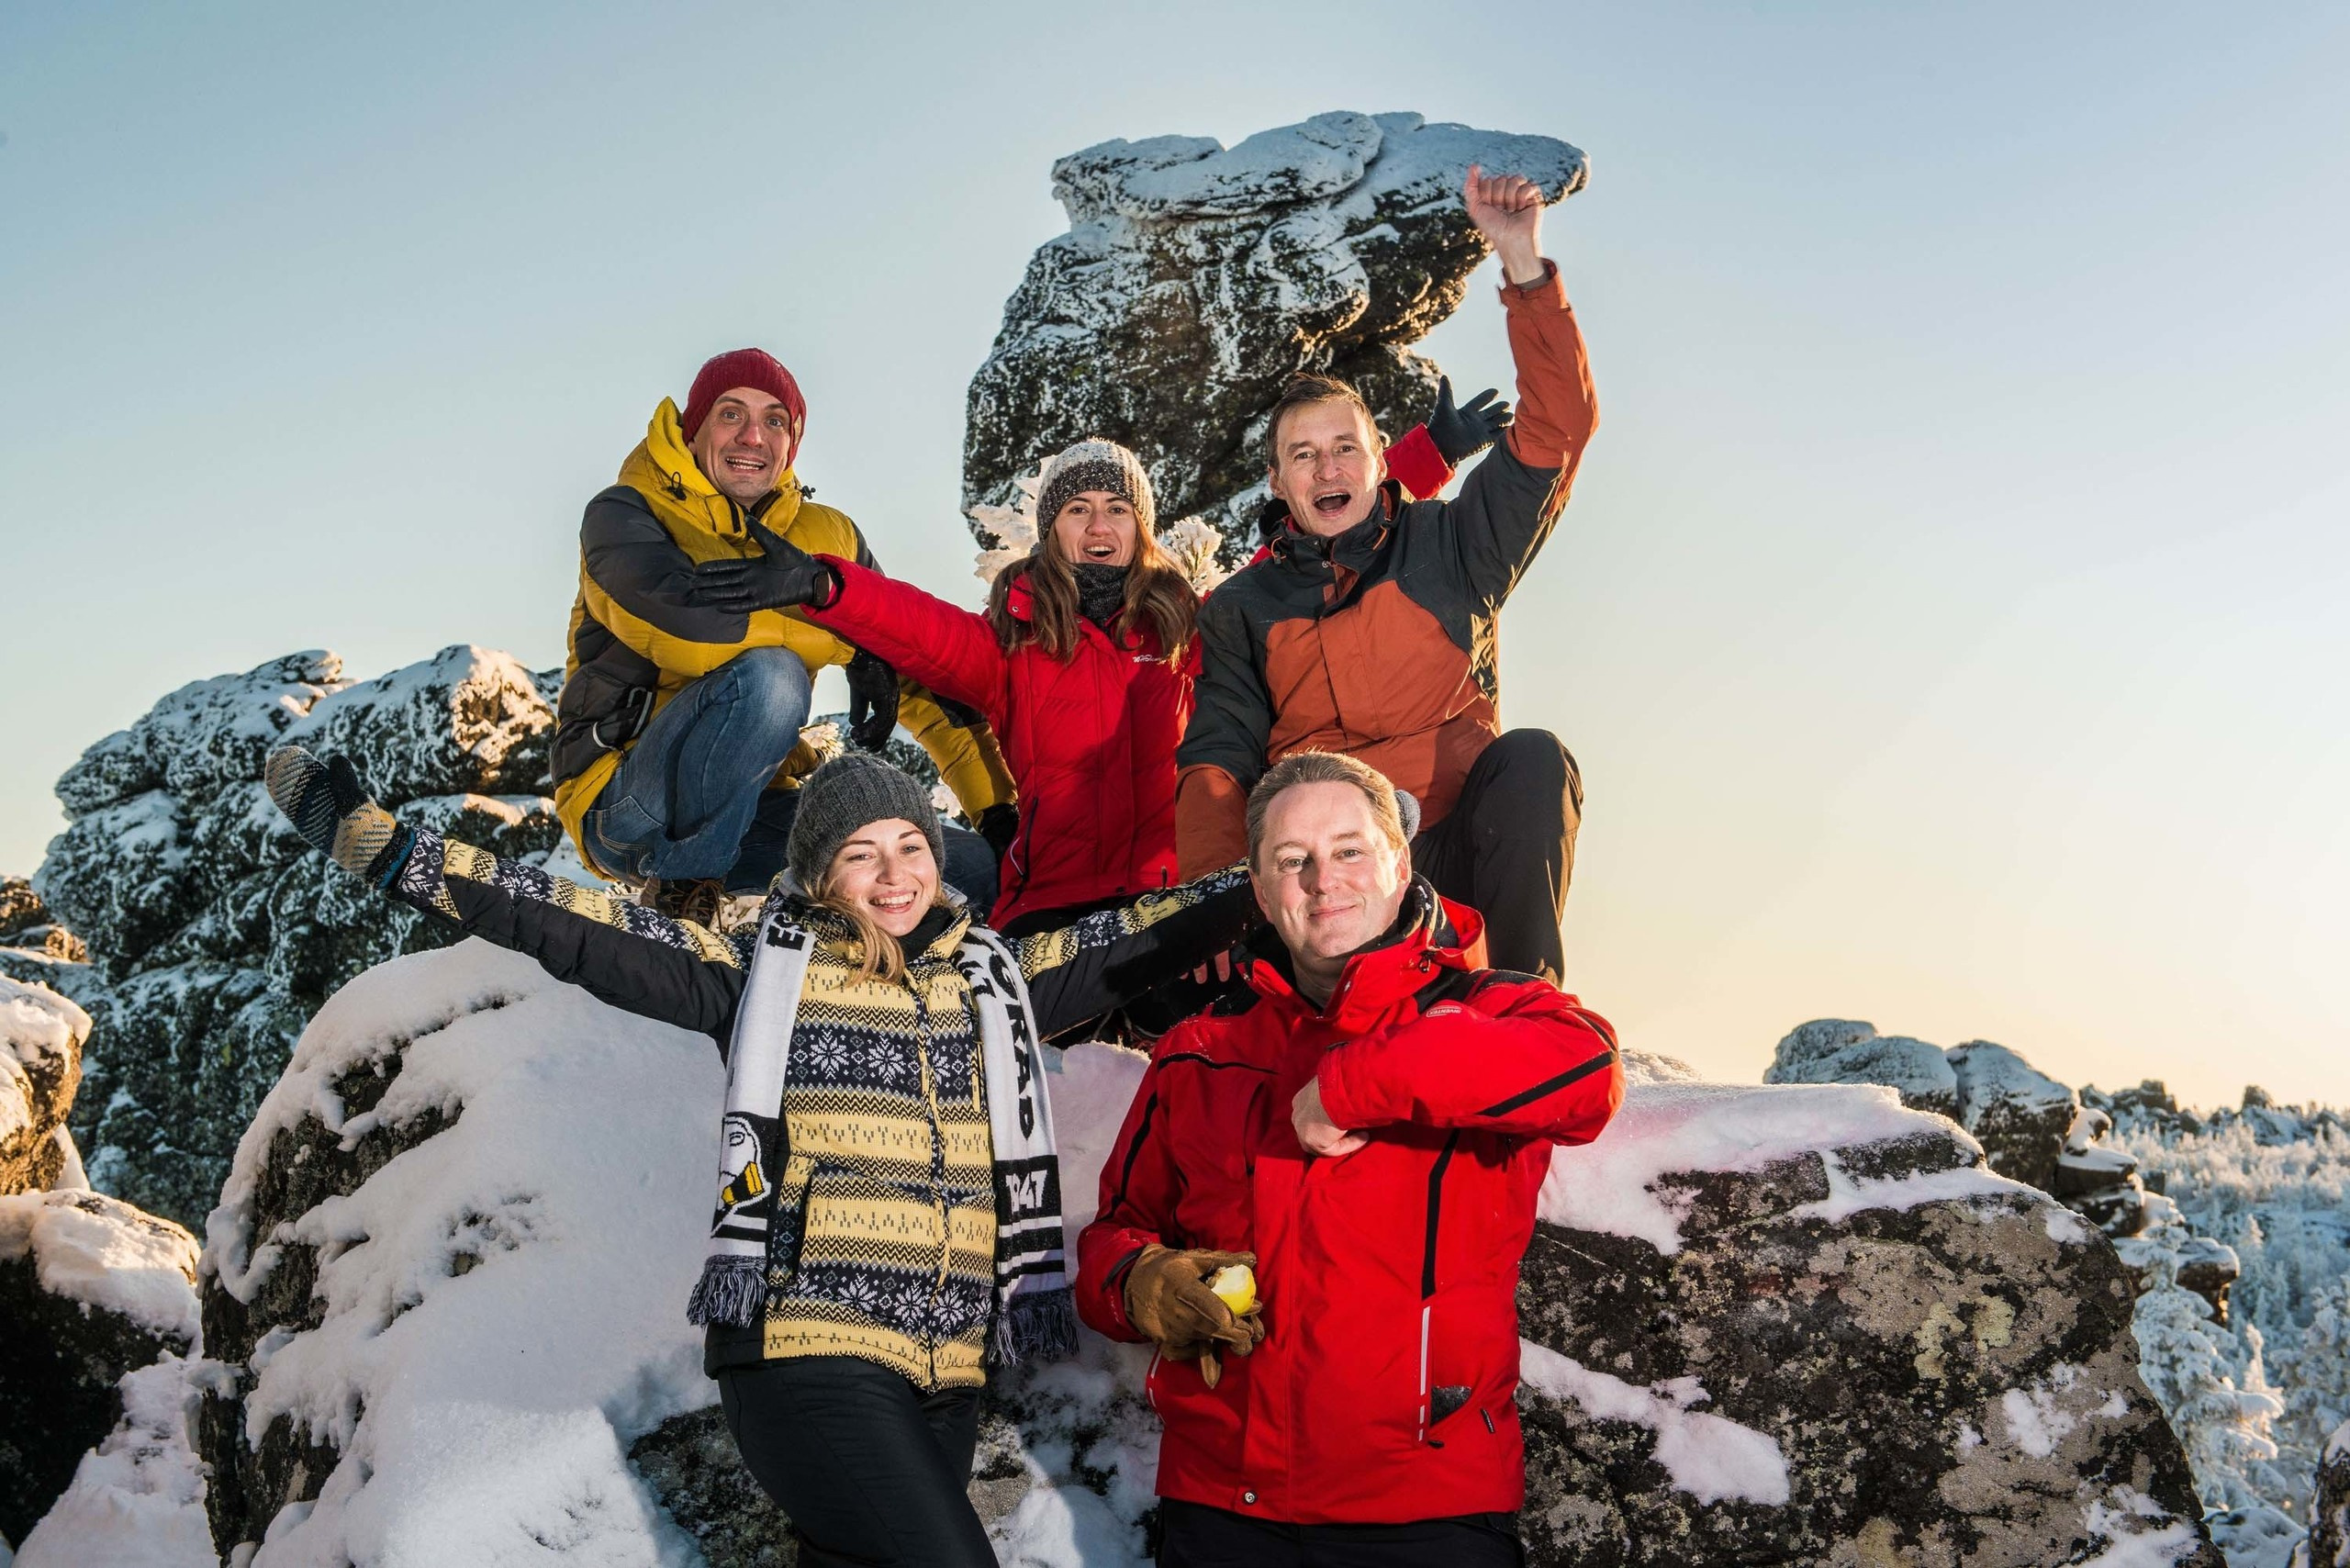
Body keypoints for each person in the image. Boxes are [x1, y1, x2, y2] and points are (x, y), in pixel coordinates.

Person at [262, 743, 1255, 1568]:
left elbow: (1146, 933)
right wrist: (391, 850)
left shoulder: (997, 982)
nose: (897, 872)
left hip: (946, 1368)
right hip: (807, 1352)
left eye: (912, 844)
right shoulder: (751, 977)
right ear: (821, 875)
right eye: (863, 854)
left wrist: (1295, 875)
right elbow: (564, 919)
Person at [683, 394, 1513, 935]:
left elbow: (1308, 530)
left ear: (1139, 526)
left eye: (1117, 507)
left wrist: (1426, 452)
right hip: (1054, 909)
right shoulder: (1012, 648)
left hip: (1172, 904)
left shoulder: (1198, 630)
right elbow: (921, 628)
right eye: (1077, 509)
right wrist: (823, 583)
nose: (1098, 523)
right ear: (1054, 532)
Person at [1077, 750, 1624, 1566]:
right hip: (1223, 1509)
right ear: (1262, 893)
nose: (1321, 880)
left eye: (1349, 849)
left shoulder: (1492, 1010)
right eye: (1292, 861)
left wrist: (1359, 1081)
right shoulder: (1199, 1054)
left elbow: (1588, 1075)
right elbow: (1113, 1236)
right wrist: (1140, 1284)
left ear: (1399, 865)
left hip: (1430, 1512)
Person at [1175, 165, 1601, 982]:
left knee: (1535, 758)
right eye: (1303, 455)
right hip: (1325, 869)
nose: (1325, 467)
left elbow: (1559, 428)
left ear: (1380, 460)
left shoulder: (1451, 543)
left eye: (1344, 448)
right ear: (1279, 481)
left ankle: (1526, 1004)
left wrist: (1522, 265)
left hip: (1448, 849)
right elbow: (1218, 764)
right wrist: (1211, 910)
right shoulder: (1243, 607)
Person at [550, 347, 1016, 923]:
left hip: (757, 811)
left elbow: (919, 674)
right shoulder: (624, 513)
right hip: (627, 806)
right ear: (694, 429)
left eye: (774, 421)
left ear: (791, 442)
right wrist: (850, 637)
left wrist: (998, 815)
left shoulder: (830, 536)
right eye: (730, 414)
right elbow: (689, 634)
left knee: (973, 870)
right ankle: (683, 894)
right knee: (772, 675)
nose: (752, 437)